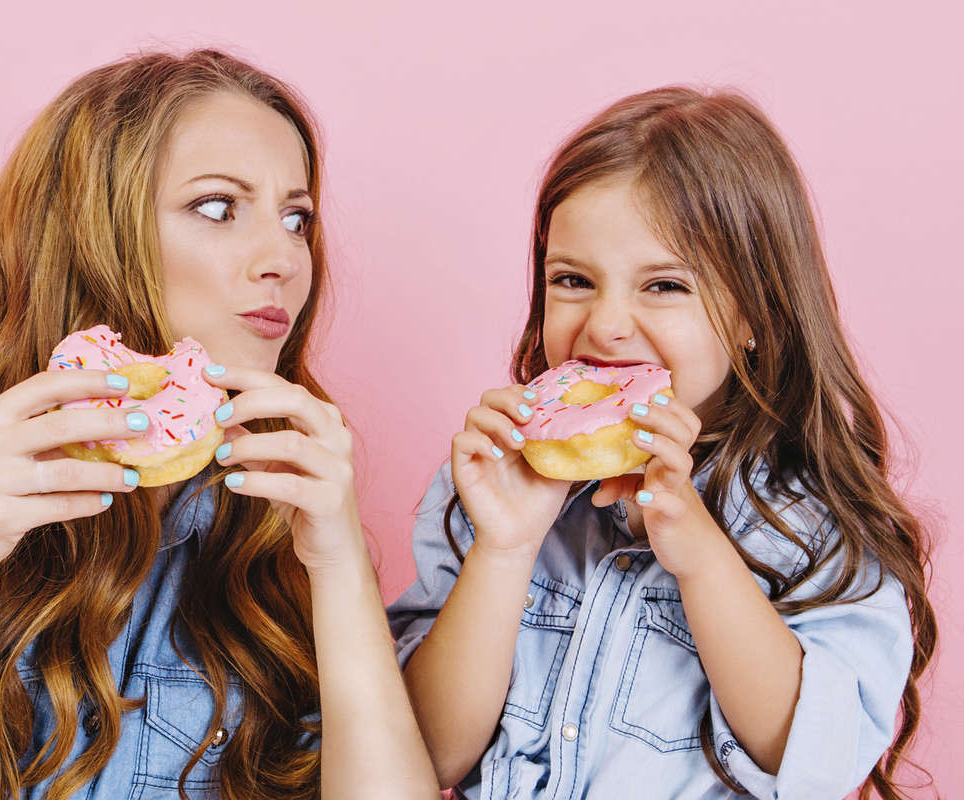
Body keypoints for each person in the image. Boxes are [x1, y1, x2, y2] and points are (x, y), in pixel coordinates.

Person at [0, 49, 437, 800]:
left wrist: (338, 568)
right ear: (93, 233)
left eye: (296, 218)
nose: (284, 257)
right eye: (219, 207)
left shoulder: (285, 509)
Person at [388, 87, 936, 799]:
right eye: (573, 280)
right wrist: (504, 549)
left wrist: (701, 555)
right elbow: (426, 759)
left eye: (665, 285)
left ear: (755, 312)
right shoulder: (492, 485)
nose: (607, 324)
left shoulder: (808, 527)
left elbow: (815, 765)